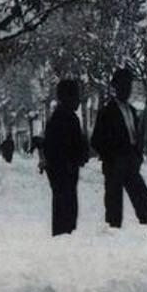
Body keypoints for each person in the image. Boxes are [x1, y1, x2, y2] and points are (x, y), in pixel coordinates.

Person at [91, 68, 147, 238]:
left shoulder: (132, 111)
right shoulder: (107, 112)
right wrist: (111, 156)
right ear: (116, 88)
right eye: (123, 86)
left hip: (131, 161)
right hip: (114, 164)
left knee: (144, 199)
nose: (126, 90)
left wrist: (137, 155)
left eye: (129, 86)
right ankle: (114, 235)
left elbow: (135, 136)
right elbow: (96, 140)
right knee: (114, 203)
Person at [43, 80, 89, 236]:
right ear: (67, 97)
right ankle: (63, 240)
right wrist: (79, 155)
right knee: (66, 210)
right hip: (64, 172)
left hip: (63, 172)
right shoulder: (66, 118)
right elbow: (66, 146)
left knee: (65, 209)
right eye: (76, 96)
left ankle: (63, 237)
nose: (78, 100)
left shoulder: (61, 116)